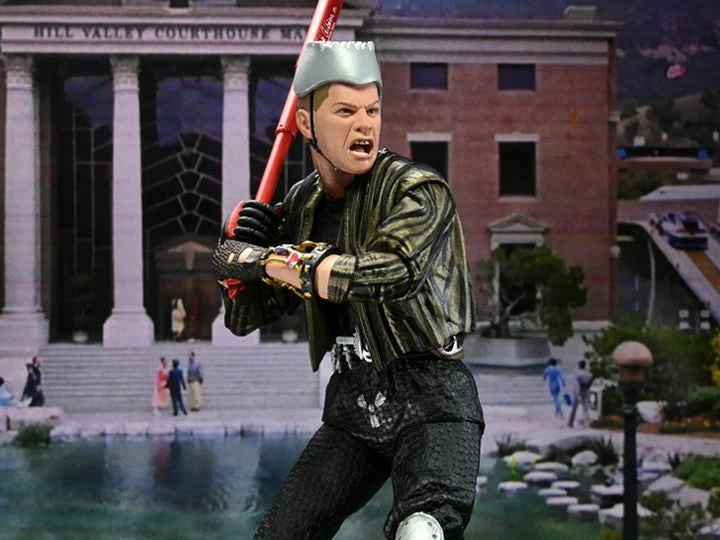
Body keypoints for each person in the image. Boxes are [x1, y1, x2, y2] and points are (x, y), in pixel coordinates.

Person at [213, 41, 483, 540]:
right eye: (345, 111)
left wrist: (269, 261)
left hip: (432, 397)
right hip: (354, 401)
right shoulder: (302, 204)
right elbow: (245, 319)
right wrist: (237, 255)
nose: (365, 125)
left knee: (423, 530)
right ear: (306, 123)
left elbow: (388, 274)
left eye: (372, 110)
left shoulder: (417, 190)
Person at [568, 360, 594, 428]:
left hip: (579, 392)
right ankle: (587, 423)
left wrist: (577, 393)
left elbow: (576, 385)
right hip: (586, 391)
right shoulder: (588, 374)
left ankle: (571, 423)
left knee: (574, 408)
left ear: (579, 365)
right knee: (585, 408)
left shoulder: (577, 373)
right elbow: (590, 383)